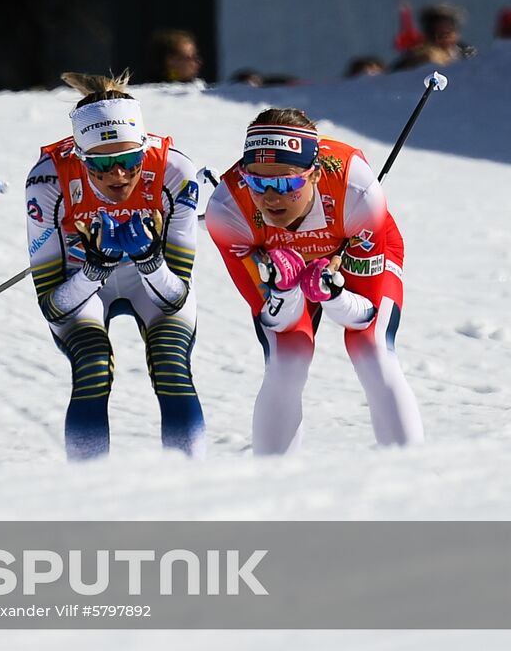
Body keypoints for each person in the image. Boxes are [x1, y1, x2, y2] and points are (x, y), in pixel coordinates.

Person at [204, 108, 423, 454]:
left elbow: (363, 313)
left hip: (351, 245)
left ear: (316, 175)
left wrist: (333, 295)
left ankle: (411, 472)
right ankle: (275, 482)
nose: (270, 197)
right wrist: (283, 290)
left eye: (287, 183)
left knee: (371, 347)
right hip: (280, 261)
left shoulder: (358, 193)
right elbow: (276, 319)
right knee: (289, 357)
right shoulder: (228, 209)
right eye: (257, 182)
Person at [24, 71, 205, 461]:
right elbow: (52, 306)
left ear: (144, 148)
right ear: (79, 156)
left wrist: (150, 261)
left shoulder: (176, 173)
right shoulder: (48, 179)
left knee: (171, 365)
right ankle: (90, 495)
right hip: (81, 284)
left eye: (128, 160)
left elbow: (176, 297)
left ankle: (191, 487)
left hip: (152, 283)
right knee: (91, 367)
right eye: (101, 166)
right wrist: (94, 269)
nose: (118, 175)